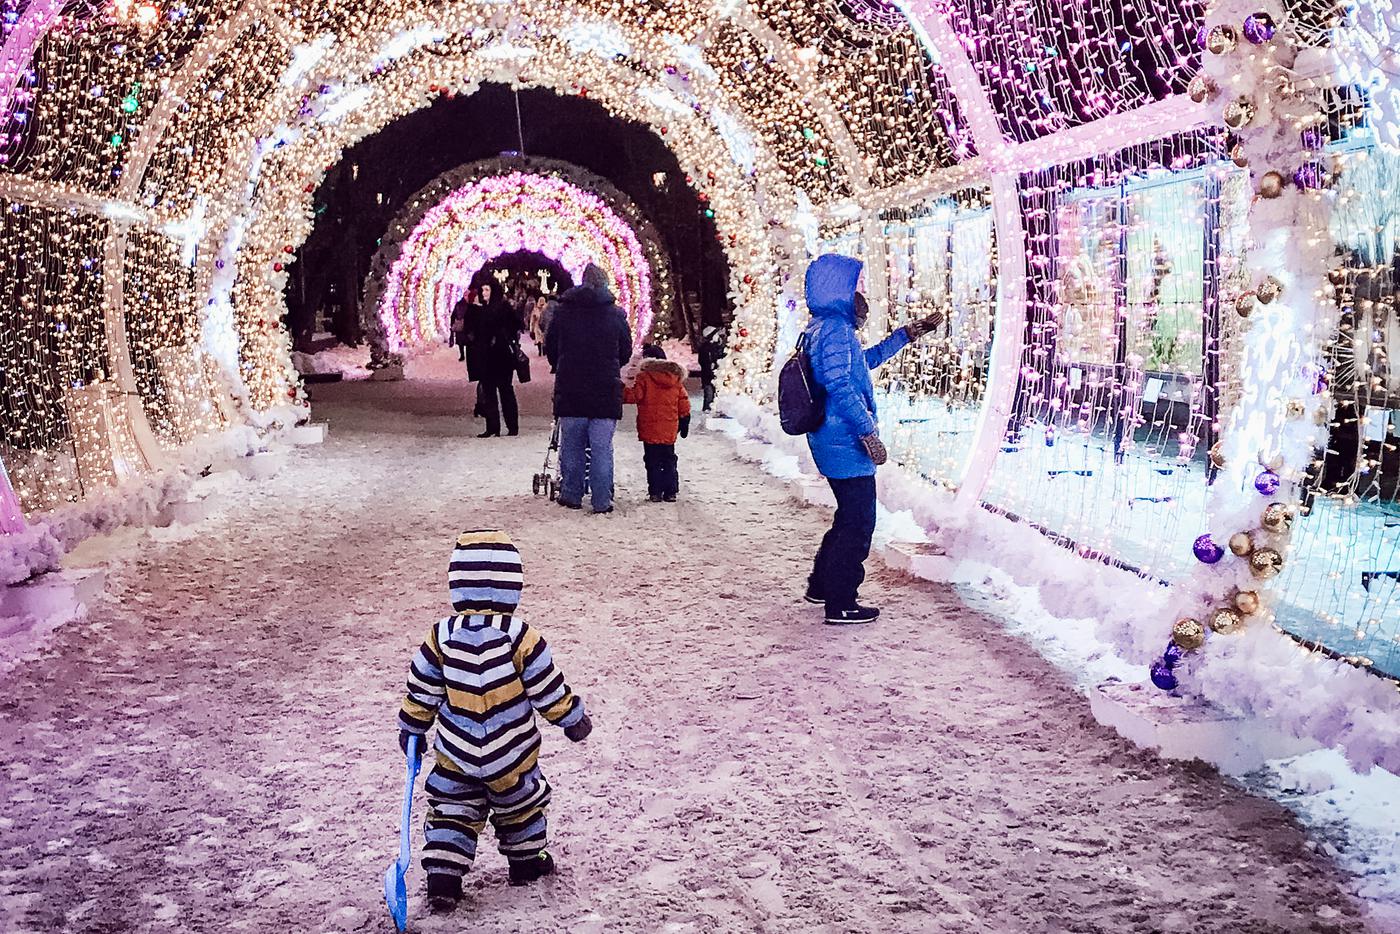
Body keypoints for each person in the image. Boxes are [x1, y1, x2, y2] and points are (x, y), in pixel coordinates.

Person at [396, 530, 593, 913]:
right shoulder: (523, 638)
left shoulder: (440, 637)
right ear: (513, 585)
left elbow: (422, 689)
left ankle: (444, 877)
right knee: (520, 804)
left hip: (458, 753)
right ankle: (525, 863)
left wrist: (412, 726)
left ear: (457, 582)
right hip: (512, 754)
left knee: (452, 808)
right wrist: (572, 718)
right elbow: (547, 687)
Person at [801, 254, 942, 625]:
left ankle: (822, 585)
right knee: (859, 522)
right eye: (856, 288)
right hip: (843, 439)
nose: (861, 297)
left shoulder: (823, 327)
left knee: (849, 517)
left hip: (833, 436)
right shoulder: (834, 330)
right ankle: (842, 601)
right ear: (838, 291)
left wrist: (906, 335)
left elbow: (861, 363)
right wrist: (866, 429)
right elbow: (840, 384)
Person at [545, 263, 633, 514]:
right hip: (605, 389)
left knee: (571, 445)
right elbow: (625, 351)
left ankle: (572, 494)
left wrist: (563, 365)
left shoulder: (563, 313)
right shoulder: (615, 315)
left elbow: (552, 349)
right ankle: (602, 499)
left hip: (571, 387)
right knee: (601, 449)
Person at [624, 344, 691, 502]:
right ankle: (671, 492)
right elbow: (683, 401)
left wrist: (621, 391)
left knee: (652, 460)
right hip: (669, 428)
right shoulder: (675, 379)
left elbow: (635, 396)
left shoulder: (644, 378)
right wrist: (685, 419)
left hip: (650, 428)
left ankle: (655, 492)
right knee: (669, 459)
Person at [474, 283, 523, 438]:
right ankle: (493, 426)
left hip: (501, 357)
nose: (483, 293)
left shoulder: (502, 308)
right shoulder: (483, 309)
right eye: (482, 290)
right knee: (489, 392)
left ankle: (511, 426)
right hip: (488, 357)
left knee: (505, 390)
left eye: (487, 290)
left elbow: (516, 325)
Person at [698, 326, 725, 412]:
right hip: (708, 376)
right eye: (716, 334)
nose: (718, 336)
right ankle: (707, 409)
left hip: (717, 374)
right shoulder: (705, 348)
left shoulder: (718, 346)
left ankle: (716, 408)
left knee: (716, 393)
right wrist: (711, 365)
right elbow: (703, 361)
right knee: (709, 394)